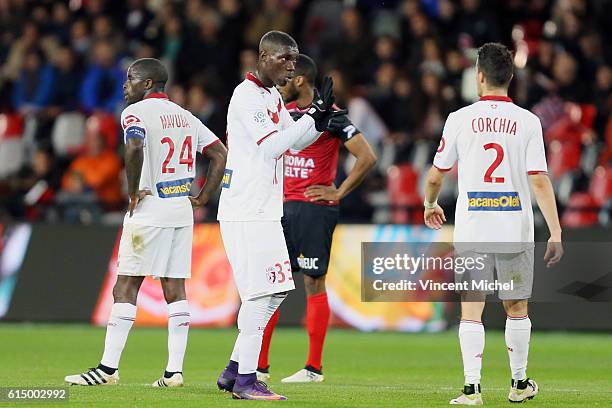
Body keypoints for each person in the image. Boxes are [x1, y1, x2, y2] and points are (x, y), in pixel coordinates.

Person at [65, 58, 227, 387]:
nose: (125, 85)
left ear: (148, 84)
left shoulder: (134, 114)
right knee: (175, 288)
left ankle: (108, 370)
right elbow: (220, 153)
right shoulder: (187, 117)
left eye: (130, 79)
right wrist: (203, 196)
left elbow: (135, 145)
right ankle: (174, 372)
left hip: (150, 208)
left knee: (126, 286)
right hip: (181, 209)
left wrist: (132, 191)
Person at [423, 43, 563, 405]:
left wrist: (430, 204)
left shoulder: (458, 118)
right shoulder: (529, 121)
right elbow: (539, 180)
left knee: (472, 307)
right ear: (511, 78)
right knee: (517, 308)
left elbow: (437, 175)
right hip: (514, 230)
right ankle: (519, 385)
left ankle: (472, 390)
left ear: (479, 76)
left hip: (472, 230)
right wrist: (556, 230)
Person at [215, 31, 344, 400]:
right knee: (260, 294)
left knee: (279, 289)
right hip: (246, 208)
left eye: (295, 59)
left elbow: (298, 140)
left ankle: (233, 371)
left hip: (266, 209)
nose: (291, 65)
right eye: (285, 58)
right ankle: (246, 380)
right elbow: (273, 147)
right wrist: (312, 117)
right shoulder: (246, 96)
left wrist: (316, 117)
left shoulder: (271, 95)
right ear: (263, 57)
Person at [256, 54, 376, 383]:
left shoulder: (332, 118)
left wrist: (339, 192)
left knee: (312, 282)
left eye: (284, 80)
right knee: (271, 285)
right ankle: (260, 368)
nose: (279, 86)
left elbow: (367, 157)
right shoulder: (279, 116)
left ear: (300, 80)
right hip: (279, 208)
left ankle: (313, 368)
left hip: (313, 208)